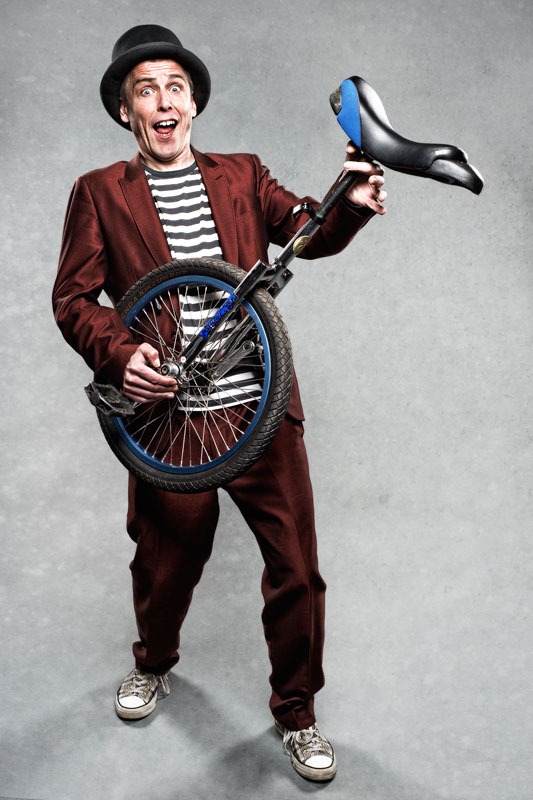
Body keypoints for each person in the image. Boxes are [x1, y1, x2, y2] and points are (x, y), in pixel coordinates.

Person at [52, 24, 386, 782]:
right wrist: (120, 353)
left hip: (259, 411)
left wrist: (352, 204)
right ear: (127, 111)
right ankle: (154, 661)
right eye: (146, 90)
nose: (163, 101)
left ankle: (297, 713)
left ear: (194, 103)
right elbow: (72, 299)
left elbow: (305, 232)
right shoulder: (100, 192)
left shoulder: (242, 175)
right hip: (168, 422)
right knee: (165, 563)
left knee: (297, 570)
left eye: (175, 86)